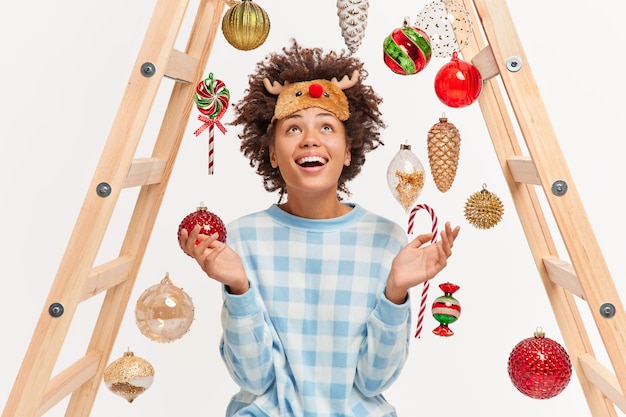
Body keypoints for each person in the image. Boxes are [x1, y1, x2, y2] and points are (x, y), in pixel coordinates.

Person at [180, 39, 460, 417]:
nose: (310, 138)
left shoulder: (388, 239)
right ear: (273, 155)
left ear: (348, 150)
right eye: (293, 129)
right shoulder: (243, 239)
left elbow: (374, 383)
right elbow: (254, 380)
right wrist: (239, 289)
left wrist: (396, 293)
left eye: (326, 126)